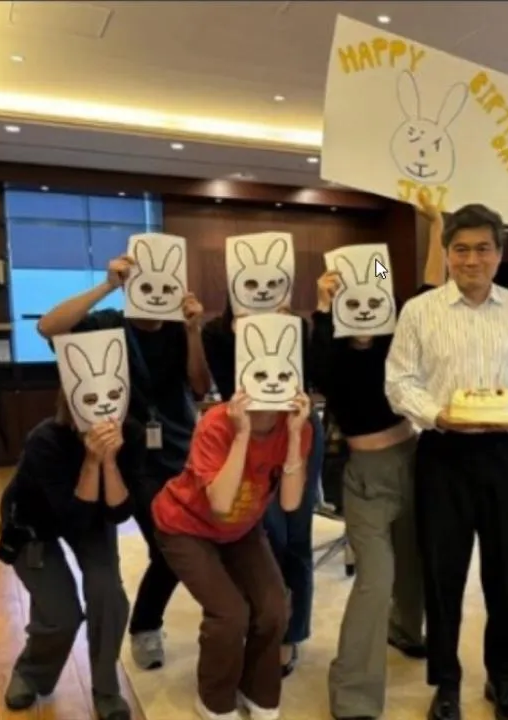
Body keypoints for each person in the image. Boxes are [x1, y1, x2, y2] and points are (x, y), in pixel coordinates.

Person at [385, 203, 508, 720]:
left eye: (483, 249)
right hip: (443, 453)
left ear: (500, 254)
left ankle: (505, 679)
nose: (472, 259)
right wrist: (437, 414)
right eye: (461, 249)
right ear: (447, 254)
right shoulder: (420, 311)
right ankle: (446, 683)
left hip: (505, 453)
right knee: (443, 576)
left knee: (507, 573)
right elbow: (399, 380)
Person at [37, 253, 213, 671]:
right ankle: (146, 625)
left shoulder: (179, 328)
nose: (156, 296)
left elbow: (200, 387)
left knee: (186, 542)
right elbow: (48, 327)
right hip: (127, 455)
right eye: (146, 285)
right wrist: (107, 285)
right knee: (169, 545)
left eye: (165, 287)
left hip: (180, 450)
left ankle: (160, 620)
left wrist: (193, 331)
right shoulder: (107, 324)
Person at [322, 198, 447, 720]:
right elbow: (313, 367)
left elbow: (424, 289)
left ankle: (406, 629)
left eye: (372, 298)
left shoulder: (397, 330)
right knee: (375, 581)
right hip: (366, 476)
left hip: (412, 457)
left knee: (416, 561)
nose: (364, 308)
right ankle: (352, 694)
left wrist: (435, 225)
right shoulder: (327, 346)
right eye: (350, 301)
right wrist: (324, 304)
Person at [152, 391, 314, 720]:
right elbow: (221, 503)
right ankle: (214, 698)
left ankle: (256, 688)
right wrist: (242, 435)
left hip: (240, 529)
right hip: (185, 525)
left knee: (275, 607)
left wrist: (296, 434)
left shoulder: (297, 425)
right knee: (229, 613)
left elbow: (289, 502)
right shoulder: (217, 422)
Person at [0, 393, 144, 720]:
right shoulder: (44, 440)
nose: (102, 405)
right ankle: (30, 672)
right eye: (90, 397)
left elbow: (120, 512)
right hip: (33, 524)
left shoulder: (131, 434)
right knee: (60, 615)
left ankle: (106, 688)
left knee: (109, 595)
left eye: (113, 395)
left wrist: (109, 461)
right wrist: (91, 461)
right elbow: (71, 518)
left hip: (93, 518)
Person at [201, 304, 324, 676]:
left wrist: (321, 309)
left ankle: (291, 634)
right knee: (265, 533)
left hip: (296, 424)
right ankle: (263, 623)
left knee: (296, 534)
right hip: (246, 428)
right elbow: (220, 385)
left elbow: (314, 373)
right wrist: (240, 335)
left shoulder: (296, 324)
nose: (261, 293)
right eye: (249, 284)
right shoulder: (216, 332)